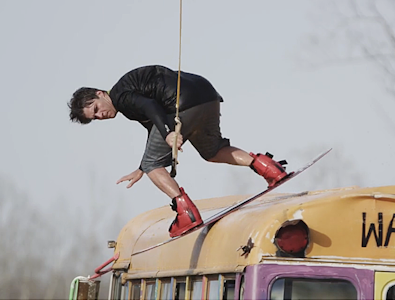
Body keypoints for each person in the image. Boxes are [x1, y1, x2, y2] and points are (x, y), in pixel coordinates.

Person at [68, 65, 288, 237]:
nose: (101, 115)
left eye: (96, 109)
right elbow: (153, 126)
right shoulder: (126, 93)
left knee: (155, 165)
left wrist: (167, 135)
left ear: (100, 94)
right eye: (95, 118)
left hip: (181, 103)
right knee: (212, 151)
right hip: (207, 95)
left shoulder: (120, 96)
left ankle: (186, 213)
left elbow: (151, 109)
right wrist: (141, 167)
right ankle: (269, 168)